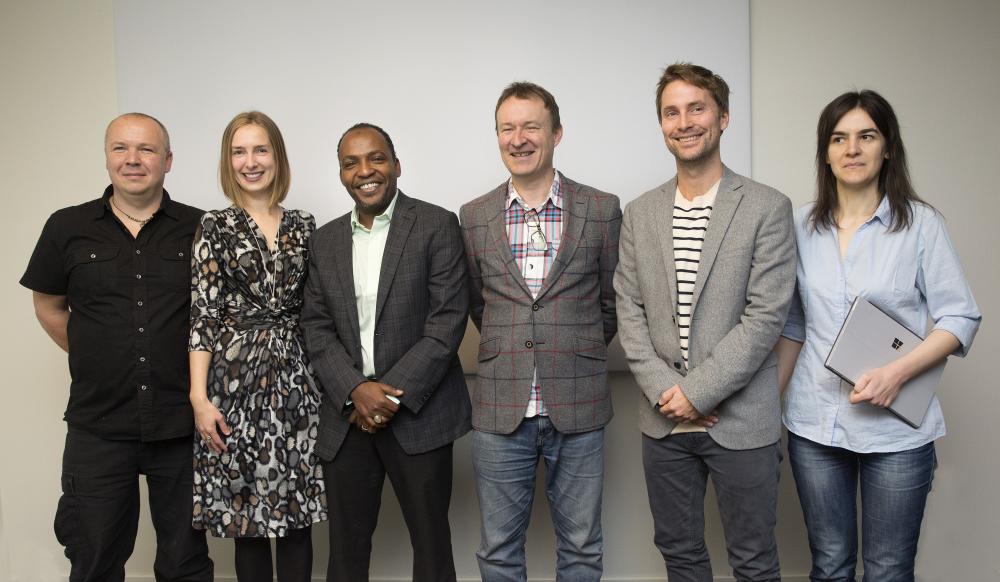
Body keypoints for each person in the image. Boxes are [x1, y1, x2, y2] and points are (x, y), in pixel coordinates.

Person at [775, 90, 981, 582]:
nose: (852, 149)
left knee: (888, 570)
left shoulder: (921, 225)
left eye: (866, 136)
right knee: (830, 565)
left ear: (887, 147)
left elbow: (960, 317)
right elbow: (794, 325)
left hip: (896, 432)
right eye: (839, 138)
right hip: (814, 425)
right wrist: (767, 406)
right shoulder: (799, 227)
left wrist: (895, 373)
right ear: (825, 152)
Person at [614, 63, 796, 582]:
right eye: (671, 112)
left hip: (741, 420)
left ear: (723, 117)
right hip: (663, 418)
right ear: (661, 125)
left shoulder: (767, 208)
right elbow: (629, 309)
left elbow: (765, 317)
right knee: (680, 555)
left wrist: (700, 392)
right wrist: (668, 392)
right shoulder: (640, 212)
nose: (684, 121)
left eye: (697, 108)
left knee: (754, 561)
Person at [20, 113, 214, 581]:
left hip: (180, 424)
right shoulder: (67, 227)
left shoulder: (202, 228)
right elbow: (48, 306)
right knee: (93, 557)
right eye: (120, 148)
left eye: (146, 149)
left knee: (184, 561)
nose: (133, 160)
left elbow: (219, 319)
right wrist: (94, 352)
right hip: (98, 424)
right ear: (106, 157)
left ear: (167, 160)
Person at [459, 81, 621, 581]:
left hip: (579, 403)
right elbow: (476, 304)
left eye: (531, 125)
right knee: (499, 550)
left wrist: (570, 351)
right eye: (507, 127)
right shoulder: (473, 216)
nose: (519, 137)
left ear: (556, 133)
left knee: (581, 547)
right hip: (500, 407)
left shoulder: (601, 208)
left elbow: (611, 304)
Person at [301, 123, 470, 582]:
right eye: (351, 163)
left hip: (420, 413)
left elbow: (447, 321)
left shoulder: (437, 224)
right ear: (341, 174)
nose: (365, 171)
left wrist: (387, 396)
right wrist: (355, 389)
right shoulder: (324, 241)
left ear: (396, 165)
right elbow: (314, 327)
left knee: (432, 550)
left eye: (375, 158)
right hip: (346, 416)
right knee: (345, 555)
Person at [189, 111, 327, 581]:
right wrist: (199, 398)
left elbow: (321, 310)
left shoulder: (306, 225)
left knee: (296, 515)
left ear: (277, 156)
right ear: (229, 161)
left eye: (260, 149)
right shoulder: (215, 226)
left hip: (298, 383)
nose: (251, 161)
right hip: (234, 386)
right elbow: (203, 315)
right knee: (245, 517)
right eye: (239, 151)